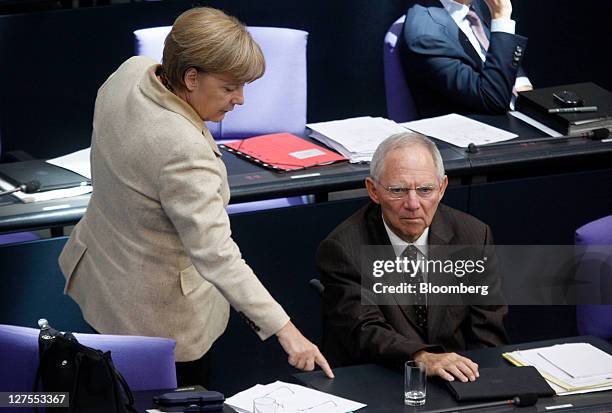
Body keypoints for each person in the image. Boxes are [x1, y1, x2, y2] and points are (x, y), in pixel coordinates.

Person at [58, 7, 333, 386]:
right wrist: (286, 330)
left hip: (102, 282)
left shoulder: (131, 71)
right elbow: (218, 256)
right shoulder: (184, 151)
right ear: (190, 77)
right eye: (229, 87)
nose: (240, 99)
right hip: (158, 322)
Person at [316, 132, 507, 382]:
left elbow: (487, 335)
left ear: (442, 188)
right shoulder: (343, 248)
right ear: (373, 190)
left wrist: (480, 388)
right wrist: (422, 357)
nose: (413, 203)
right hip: (381, 380)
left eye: (425, 189)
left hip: (456, 381)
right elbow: (366, 331)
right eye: (398, 190)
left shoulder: (472, 236)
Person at [400, 0, 532, 117]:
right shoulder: (426, 36)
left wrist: (529, 99)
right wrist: (502, 17)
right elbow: (492, 100)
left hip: (514, 112)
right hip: (483, 127)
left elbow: (500, 51)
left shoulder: (476, 4)